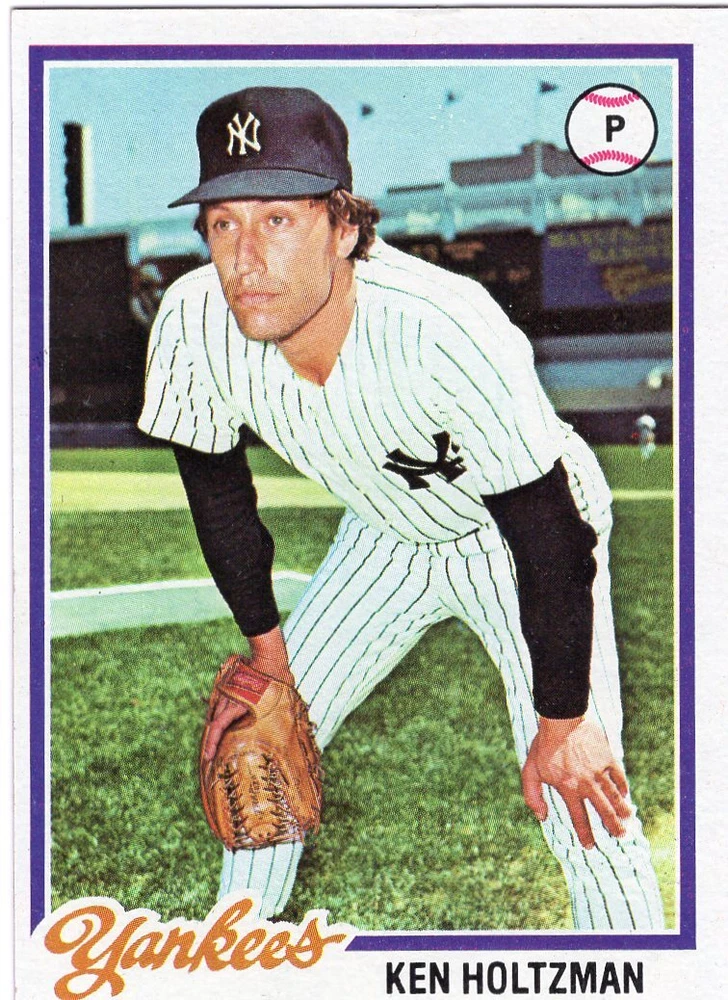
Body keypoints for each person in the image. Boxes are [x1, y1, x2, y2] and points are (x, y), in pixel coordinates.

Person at [139, 86, 664, 930]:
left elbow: (548, 531)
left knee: (582, 792)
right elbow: (220, 497)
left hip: (516, 533)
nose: (245, 257)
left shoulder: (442, 324)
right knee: (262, 754)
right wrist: (271, 662)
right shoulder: (193, 321)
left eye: (279, 219)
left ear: (344, 228)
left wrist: (564, 721)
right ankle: (232, 953)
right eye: (223, 224)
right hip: (384, 535)